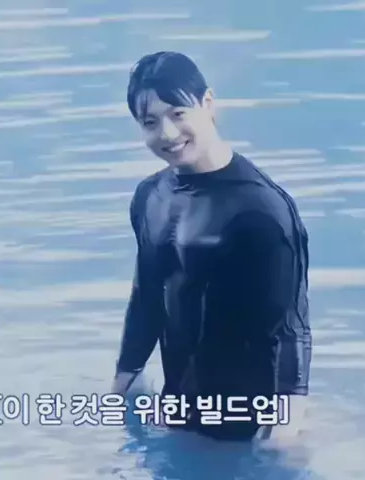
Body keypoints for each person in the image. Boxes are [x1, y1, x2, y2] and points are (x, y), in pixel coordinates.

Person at [112, 51, 312, 443]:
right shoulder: (150, 197)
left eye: (178, 113)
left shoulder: (261, 209)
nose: (167, 133)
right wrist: (119, 389)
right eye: (150, 122)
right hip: (178, 416)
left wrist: (283, 435)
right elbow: (146, 301)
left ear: (207, 103)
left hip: (245, 429)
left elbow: (290, 330)